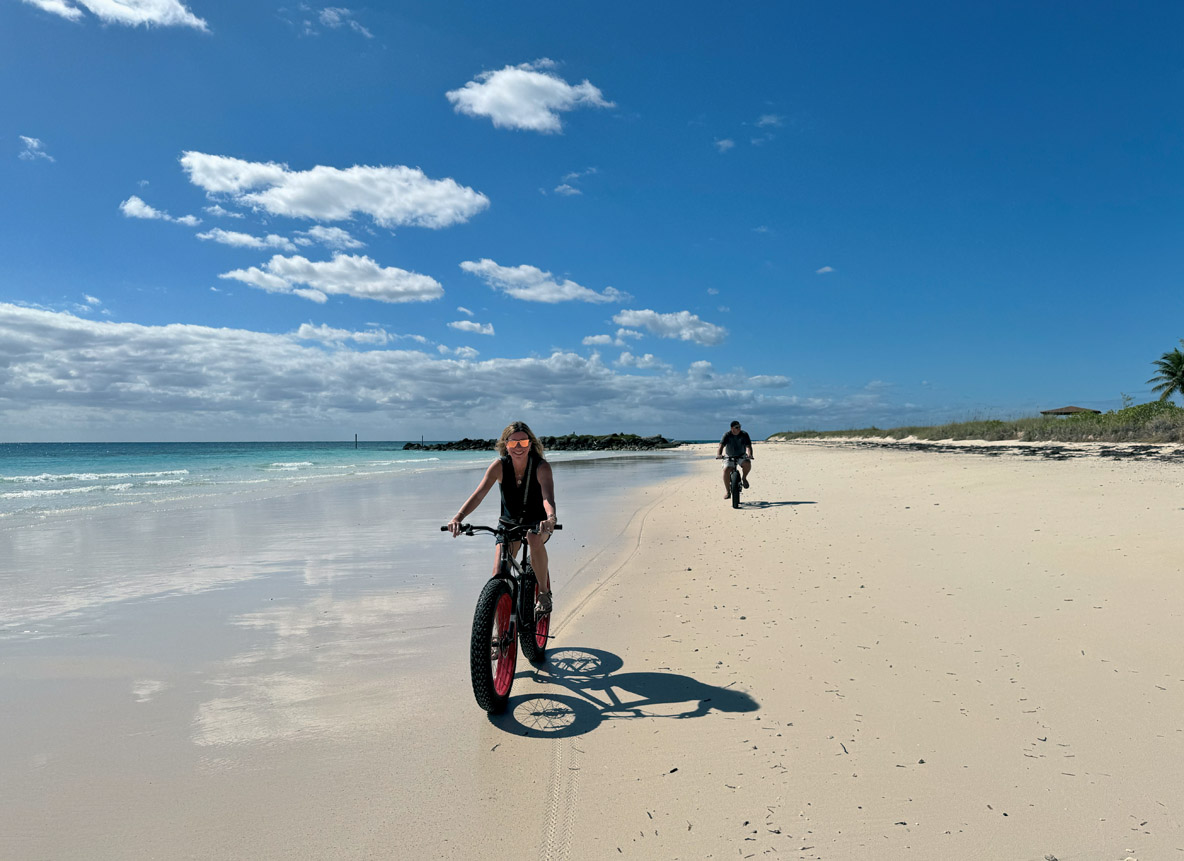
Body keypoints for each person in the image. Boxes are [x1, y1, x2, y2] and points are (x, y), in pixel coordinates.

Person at [447, 421, 557, 617]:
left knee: (533, 539)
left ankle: (543, 593)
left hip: (538, 523)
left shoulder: (541, 467)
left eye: (522, 443)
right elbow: (479, 494)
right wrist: (458, 517)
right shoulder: (499, 466)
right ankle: (500, 633)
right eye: (513, 443)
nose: (518, 448)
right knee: (499, 575)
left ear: (530, 444)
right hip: (509, 525)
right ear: (505, 445)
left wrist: (550, 518)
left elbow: (547, 497)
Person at [716, 420, 753, 498]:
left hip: (741, 455)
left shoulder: (744, 434)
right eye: (737, 427)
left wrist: (750, 454)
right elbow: (721, 446)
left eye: (740, 427)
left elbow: (748, 446)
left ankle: (744, 478)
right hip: (729, 456)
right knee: (726, 470)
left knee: (747, 463)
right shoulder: (727, 435)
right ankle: (728, 491)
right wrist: (719, 454)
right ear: (732, 428)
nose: (739, 428)